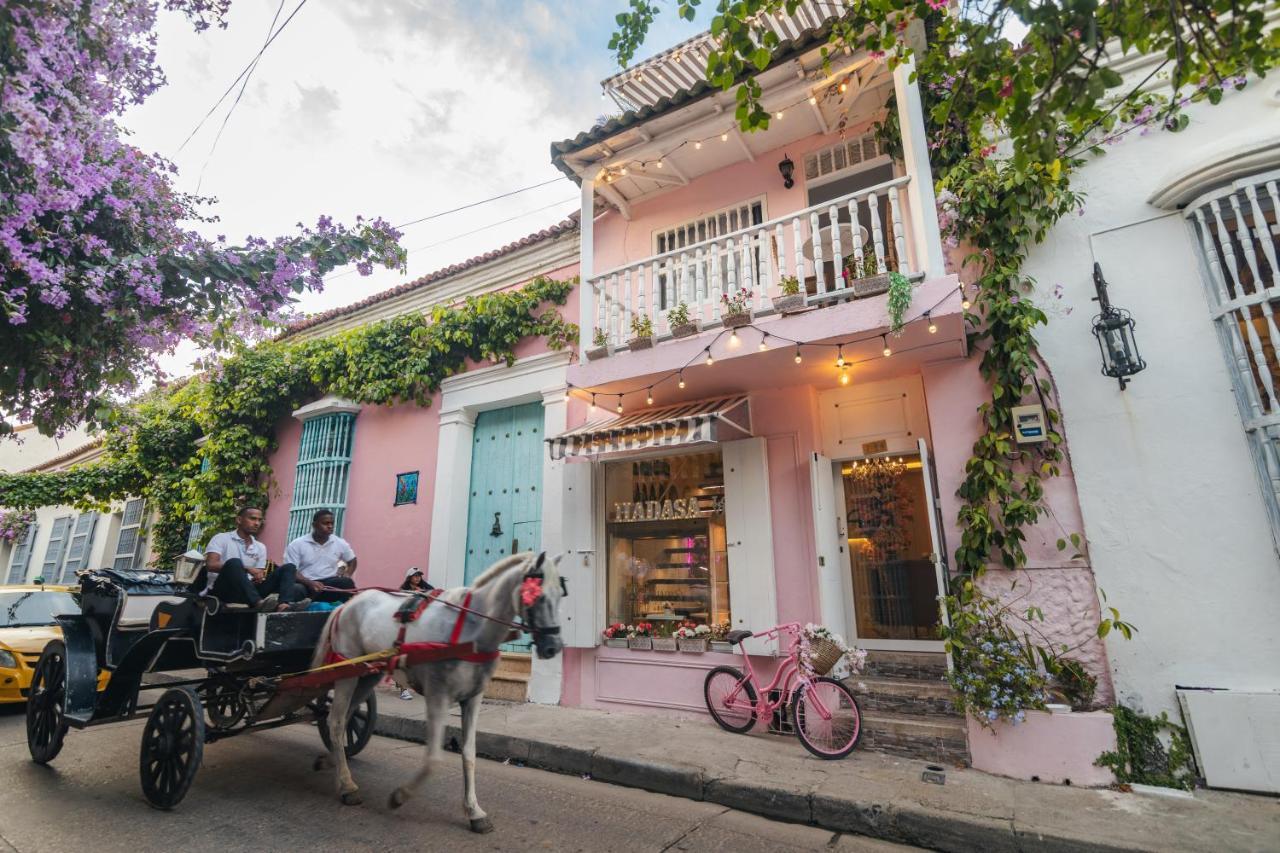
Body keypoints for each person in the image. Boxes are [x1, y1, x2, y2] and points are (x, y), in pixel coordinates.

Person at [204, 507, 310, 612]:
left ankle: (284, 605)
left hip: (248, 591)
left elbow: (258, 573)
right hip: (224, 590)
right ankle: (258, 603)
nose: (257, 523)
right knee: (234, 562)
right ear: (239, 520)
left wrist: (259, 577)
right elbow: (211, 565)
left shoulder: (260, 547)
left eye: (260, 520)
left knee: (289, 567)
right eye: (253, 519)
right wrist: (247, 568)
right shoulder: (221, 538)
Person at [284, 509, 358, 604]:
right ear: (314, 525)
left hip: (328, 585)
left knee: (346, 583)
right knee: (296, 589)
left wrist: (347, 574)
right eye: (326, 523)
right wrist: (309, 583)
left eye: (332, 523)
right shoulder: (297, 544)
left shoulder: (339, 542)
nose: (330, 526)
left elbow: (352, 560)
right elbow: (291, 571)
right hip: (305, 584)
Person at [395, 567, 434, 700]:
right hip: (405, 626)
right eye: (415, 575)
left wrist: (423, 592)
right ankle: (403, 689)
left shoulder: (424, 587)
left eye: (419, 575)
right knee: (402, 658)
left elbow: (433, 593)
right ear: (409, 577)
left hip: (418, 625)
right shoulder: (403, 590)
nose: (417, 578)